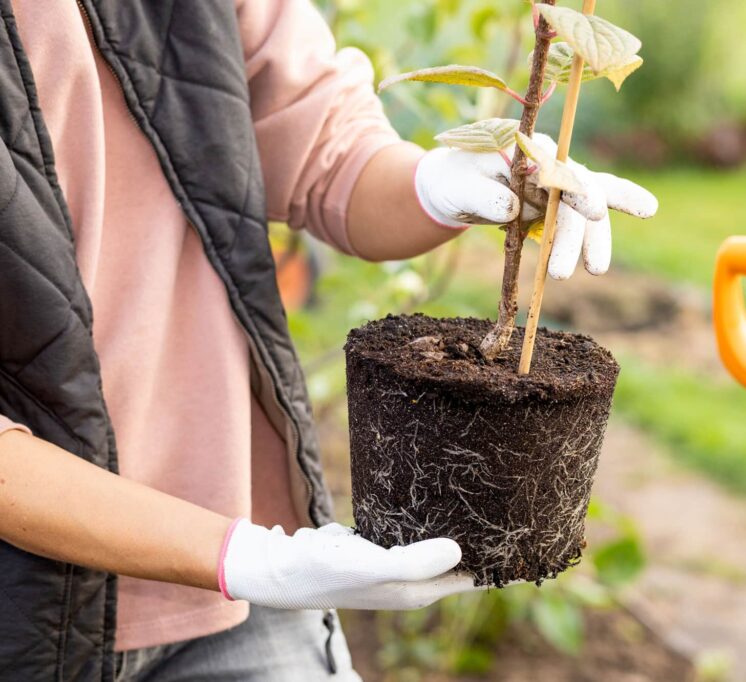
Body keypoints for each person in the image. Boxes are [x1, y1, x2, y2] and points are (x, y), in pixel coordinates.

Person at [0, 1, 656, 680]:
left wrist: (435, 186)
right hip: (28, 622)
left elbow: (324, 149)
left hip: (249, 582)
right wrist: (246, 557)